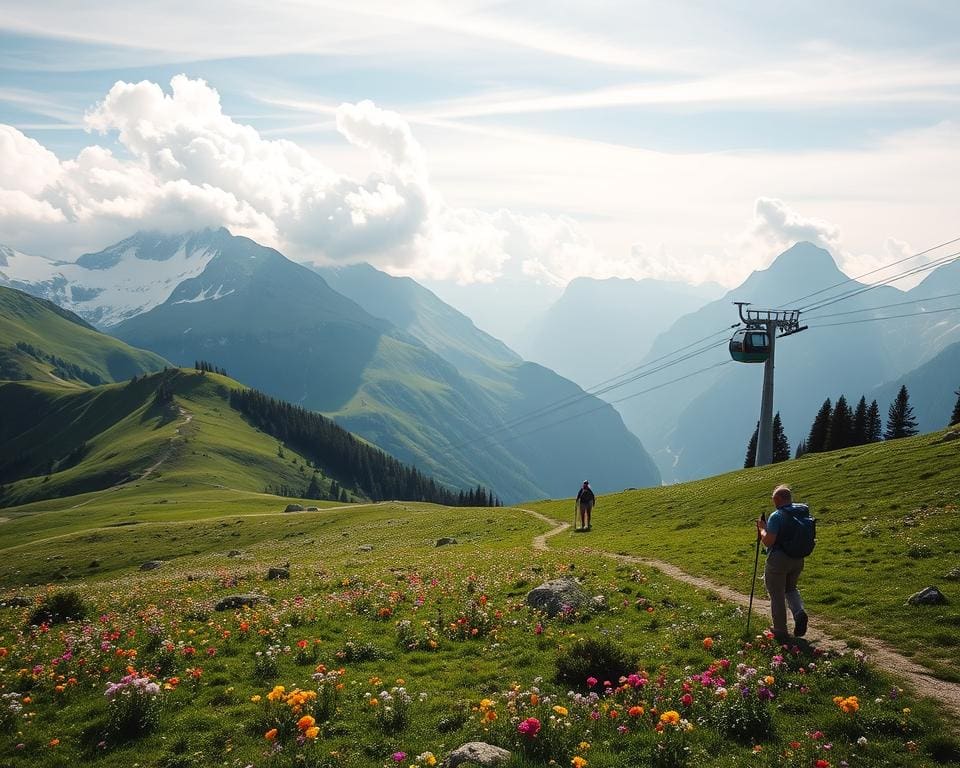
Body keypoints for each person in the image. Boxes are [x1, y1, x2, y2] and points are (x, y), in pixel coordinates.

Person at [756, 484, 809, 642]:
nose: (773, 503)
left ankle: (780, 630)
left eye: (774, 499)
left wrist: (762, 529)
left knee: (777, 594)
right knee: (791, 589)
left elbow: (768, 541)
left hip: (778, 559)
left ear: (778, 499)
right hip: (798, 558)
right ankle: (799, 612)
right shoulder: (801, 512)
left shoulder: (777, 515)